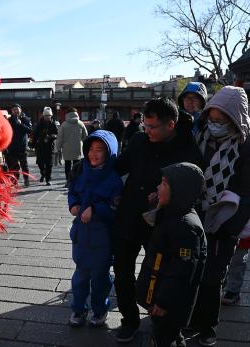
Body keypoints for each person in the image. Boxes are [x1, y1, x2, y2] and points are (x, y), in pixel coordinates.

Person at [112, 97, 202, 343]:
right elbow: (119, 166)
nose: (147, 131)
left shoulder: (187, 147)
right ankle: (129, 320)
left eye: (153, 127)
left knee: (161, 275)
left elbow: (194, 187)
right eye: (145, 126)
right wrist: (89, 169)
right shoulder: (140, 140)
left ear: (171, 125)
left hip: (163, 226)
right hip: (128, 218)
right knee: (122, 272)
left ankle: (160, 323)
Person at [189, 86, 250, 346]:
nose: (215, 124)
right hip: (196, 214)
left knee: (212, 277)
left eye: (221, 120)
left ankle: (208, 327)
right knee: (192, 271)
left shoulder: (249, 145)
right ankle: (190, 320)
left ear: (235, 118)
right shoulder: (200, 135)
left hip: (225, 219)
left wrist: (231, 227)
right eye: (212, 118)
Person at [136, 162, 206, 347]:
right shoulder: (171, 213)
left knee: (166, 334)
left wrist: (164, 302)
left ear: (180, 191)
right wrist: (156, 203)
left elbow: (181, 272)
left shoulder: (186, 227)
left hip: (169, 303)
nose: (158, 187)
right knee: (164, 333)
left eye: (164, 184)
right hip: (159, 291)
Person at [67, 130, 123, 327]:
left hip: (103, 238)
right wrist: (73, 204)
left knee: (100, 278)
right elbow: (73, 191)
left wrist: (96, 209)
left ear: (110, 153)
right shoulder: (80, 170)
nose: (94, 153)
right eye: (90, 149)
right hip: (81, 235)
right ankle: (78, 308)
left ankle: (99, 310)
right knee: (80, 277)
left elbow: (115, 207)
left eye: (100, 149)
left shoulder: (114, 179)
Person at [57, 107, 88, 186]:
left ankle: (68, 181)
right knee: (77, 166)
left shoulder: (64, 125)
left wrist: (58, 148)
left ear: (67, 114)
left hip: (66, 148)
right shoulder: (80, 123)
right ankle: (76, 181)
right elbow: (85, 136)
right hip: (78, 148)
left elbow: (60, 138)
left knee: (67, 165)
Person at [5, 104, 33, 187]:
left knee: (24, 164)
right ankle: (14, 180)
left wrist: (20, 124)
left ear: (20, 110)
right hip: (12, 146)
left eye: (17, 109)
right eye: (14, 110)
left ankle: (26, 179)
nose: (16, 111)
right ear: (11, 111)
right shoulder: (9, 120)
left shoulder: (26, 119)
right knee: (13, 165)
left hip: (22, 146)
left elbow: (30, 131)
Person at [33, 107, 59, 186]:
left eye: (49, 116)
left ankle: (48, 179)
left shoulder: (53, 124)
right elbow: (35, 135)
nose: (47, 117)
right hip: (40, 146)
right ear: (43, 116)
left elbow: (56, 134)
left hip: (49, 146)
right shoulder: (39, 124)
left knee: (49, 164)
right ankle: (43, 173)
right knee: (40, 163)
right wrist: (34, 143)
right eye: (46, 116)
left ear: (51, 116)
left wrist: (51, 136)